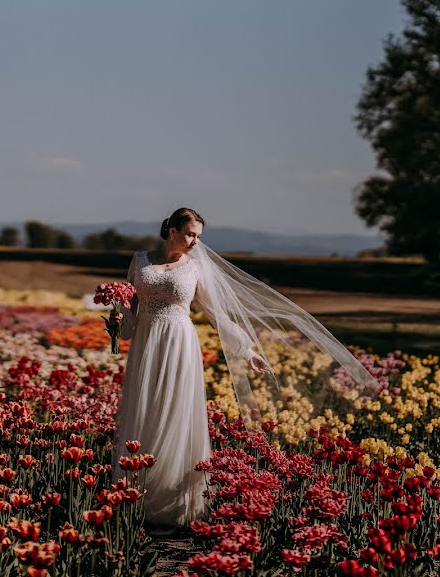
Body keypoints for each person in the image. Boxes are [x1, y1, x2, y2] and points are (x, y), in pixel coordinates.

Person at [110, 207, 380, 531]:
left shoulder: (195, 268)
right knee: (144, 411)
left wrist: (246, 349)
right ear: (172, 230)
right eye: (190, 234)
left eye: (198, 236)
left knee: (173, 413)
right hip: (147, 344)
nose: (195, 242)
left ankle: (170, 503)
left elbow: (217, 314)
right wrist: (116, 322)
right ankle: (134, 496)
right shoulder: (140, 261)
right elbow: (129, 319)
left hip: (180, 343)